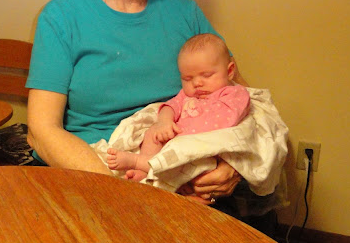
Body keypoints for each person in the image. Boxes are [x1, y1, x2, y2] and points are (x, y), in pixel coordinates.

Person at [25, 0, 248, 207]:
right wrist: (131, 193)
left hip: (180, 173)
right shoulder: (60, 17)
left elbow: (242, 96)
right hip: (91, 174)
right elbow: (42, 131)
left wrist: (233, 165)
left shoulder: (186, 14)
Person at [106, 33, 251, 181]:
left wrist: (182, 138)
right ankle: (145, 171)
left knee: (180, 157)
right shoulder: (186, 96)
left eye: (206, 75)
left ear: (229, 71)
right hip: (174, 140)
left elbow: (228, 120)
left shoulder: (234, 94)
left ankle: (138, 162)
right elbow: (170, 106)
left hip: (202, 147)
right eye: (187, 78)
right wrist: (164, 123)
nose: (197, 83)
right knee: (153, 133)